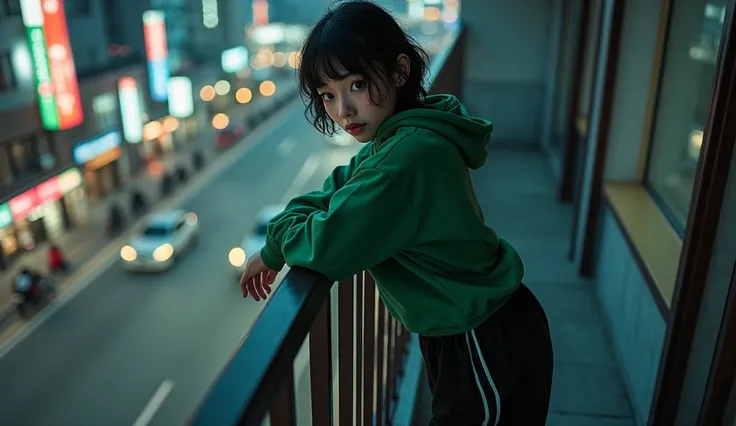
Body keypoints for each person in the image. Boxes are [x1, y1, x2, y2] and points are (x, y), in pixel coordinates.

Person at [240, 1, 554, 424]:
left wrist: (276, 247)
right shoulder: (407, 136)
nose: (343, 110)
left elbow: (330, 241)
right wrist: (285, 232)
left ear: (399, 72)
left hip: (482, 337)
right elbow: (335, 190)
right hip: (476, 327)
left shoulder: (404, 161)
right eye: (328, 95)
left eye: (357, 84)